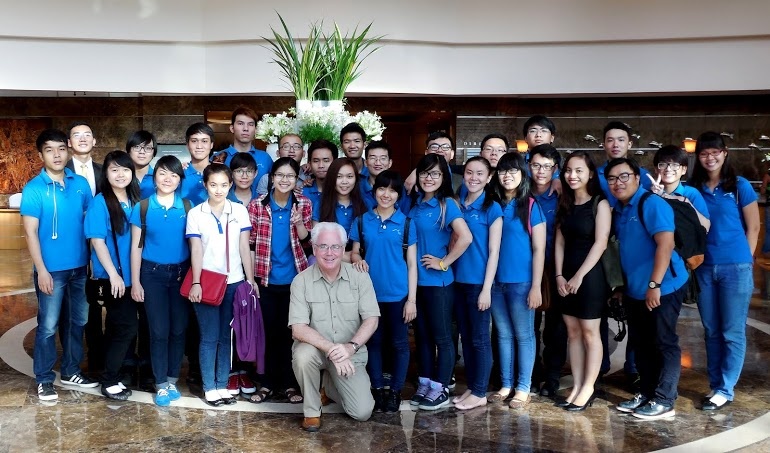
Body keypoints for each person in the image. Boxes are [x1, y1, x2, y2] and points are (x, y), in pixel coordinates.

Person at [607, 158, 690, 420]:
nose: (618, 183)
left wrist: (655, 284)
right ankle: (646, 392)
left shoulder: (651, 203)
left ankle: (665, 400)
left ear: (636, 177)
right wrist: (621, 287)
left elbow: (665, 245)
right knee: (641, 342)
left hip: (663, 287)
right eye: (612, 178)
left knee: (664, 341)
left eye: (624, 176)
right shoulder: (619, 209)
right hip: (635, 289)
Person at [21, 129, 97, 401]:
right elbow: (30, 233)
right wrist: (41, 270)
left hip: (80, 268)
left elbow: (90, 224)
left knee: (78, 321)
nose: (56, 155)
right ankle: (44, 378)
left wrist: (92, 261)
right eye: (49, 150)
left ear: (68, 151)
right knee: (48, 326)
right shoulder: (34, 188)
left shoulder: (80, 184)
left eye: (61, 149)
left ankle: (71, 370)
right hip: (51, 270)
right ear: (40, 154)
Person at [688, 132, 759, 411]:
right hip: (704, 267)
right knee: (711, 330)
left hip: (735, 267)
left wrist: (746, 260)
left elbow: (754, 226)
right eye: (704, 153)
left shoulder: (739, 185)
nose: (710, 158)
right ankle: (716, 383)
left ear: (725, 153)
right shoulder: (693, 188)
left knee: (732, 331)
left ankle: (725, 388)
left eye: (714, 152)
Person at [289, 222, 380, 432]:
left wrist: (350, 347)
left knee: (362, 412)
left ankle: (329, 387)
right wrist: (331, 349)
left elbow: (372, 319)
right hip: (316, 351)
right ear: (314, 248)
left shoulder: (360, 277)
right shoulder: (300, 281)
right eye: (323, 246)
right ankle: (312, 412)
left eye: (335, 247)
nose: (329, 253)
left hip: (350, 353)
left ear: (343, 249)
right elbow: (298, 328)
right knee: (302, 356)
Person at [186, 163, 256, 406]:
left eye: (224, 185)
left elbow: (244, 247)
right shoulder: (196, 213)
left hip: (234, 282)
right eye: (213, 184)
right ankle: (209, 387)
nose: (219, 190)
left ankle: (222, 384)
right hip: (207, 282)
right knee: (209, 336)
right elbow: (196, 250)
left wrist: (250, 280)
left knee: (226, 336)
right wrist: (196, 282)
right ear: (205, 185)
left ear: (230, 185)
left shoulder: (239, 211)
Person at [408, 154, 472, 410]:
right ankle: (425, 382)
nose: (429, 178)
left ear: (444, 177)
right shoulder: (415, 205)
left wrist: (444, 262)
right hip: (417, 283)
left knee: (442, 337)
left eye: (435, 173)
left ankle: (441, 386)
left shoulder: (447, 204)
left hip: (440, 284)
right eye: (424, 173)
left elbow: (465, 237)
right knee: (423, 337)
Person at [350, 170, 418, 413]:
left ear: (399, 195)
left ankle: (396, 391)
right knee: (374, 343)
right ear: (374, 191)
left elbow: (412, 264)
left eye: (392, 190)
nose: (386, 194)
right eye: (382, 188)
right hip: (369, 296)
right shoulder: (362, 221)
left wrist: (412, 300)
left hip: (398, 295)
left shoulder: (407, 223)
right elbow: (355, 251)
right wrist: (357, 259)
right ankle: (377, 389)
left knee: (400, 344)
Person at [248, 157, 313, 404]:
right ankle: (266, 384)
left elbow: (307, 243)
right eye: (280, 175)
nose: (285, 180)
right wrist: (252, 279)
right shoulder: (257, 205)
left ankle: (289, 384)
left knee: (290, 334)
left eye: (290, 176)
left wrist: (299, 224)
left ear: (297, 179)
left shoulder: (303, 203)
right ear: (272, 178)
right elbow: (251, 244)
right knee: (267, 333)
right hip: (265, 279)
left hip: (295, 281)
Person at [129, 155, 191, 406]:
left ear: (179, 180)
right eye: (163, 173)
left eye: (174, 175)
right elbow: (135, 248)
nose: (168, 179)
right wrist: (135, 282)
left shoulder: (187, 207)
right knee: (158, 331)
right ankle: (161, 383)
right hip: (152, 275)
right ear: (154, 178)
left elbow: (195, 245)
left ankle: (173, 378)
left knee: (179, 329)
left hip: (181, 275)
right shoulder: (143, 207)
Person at [595, 120, 651, 387]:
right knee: (601, 309)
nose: (615, 144)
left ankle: (634, 367)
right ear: (603, 144)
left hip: (634, 250)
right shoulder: (595, 175)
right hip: (603, 250)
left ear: (630, 143)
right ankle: (601, 364)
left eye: (620, 139)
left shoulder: (643, 176)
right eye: (610, 139)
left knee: (636, 310)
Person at [553, 151, 610, 411]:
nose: (572, 175)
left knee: (589, 332)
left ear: (590, 174)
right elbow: (560, 242)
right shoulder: (564, 202)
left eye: (578, 171)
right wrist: (559, 275)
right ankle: (576, 386)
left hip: (590, 277)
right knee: (573, 333)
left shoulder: (600, 203)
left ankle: (589, 388)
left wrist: (579, 276)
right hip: (566, 275)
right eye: (568, 170)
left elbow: (600, 243)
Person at [488, 152, 545, 408]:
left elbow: (539, 249)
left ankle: (523, 387)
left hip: (522, 282)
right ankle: (506, 384)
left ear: (523, 174)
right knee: (503, 334)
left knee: (524, 335)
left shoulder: (531, 206)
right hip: (495, 282)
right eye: (502, 170)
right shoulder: (493, 204)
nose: (507, 175)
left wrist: (536, 286)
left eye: (513, 170)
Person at [84, 150, 140, 400]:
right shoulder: (100, 202)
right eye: (114, 169)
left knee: (119, 327)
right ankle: (109, 380)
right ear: (105, 173)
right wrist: (113, 275)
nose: (120, 174)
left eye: (125, 169)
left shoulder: (134, 200)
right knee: (126, 327)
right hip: (113, 278)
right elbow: (97, 241)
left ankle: (109, 372)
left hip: (132, 276)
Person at [451, 156, 503, 410]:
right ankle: (472, 387)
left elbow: (494, 252)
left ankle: (481, 391)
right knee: (466, 336)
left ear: (489, 177)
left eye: (480, 173)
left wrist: (486, 289)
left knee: (480, 339)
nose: (473, 178)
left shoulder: (492, 208)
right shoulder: (458, 202)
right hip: (457, 281)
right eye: (469, 172)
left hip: (478, 283)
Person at [66, 121, 105, 374]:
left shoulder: (104, 172)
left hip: (98, 249)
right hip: (70, 249)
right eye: (76, 135)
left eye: (87, 135)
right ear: (69, 143)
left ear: (94, 141)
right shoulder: (60, 171)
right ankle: (72, 362)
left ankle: (97, 359)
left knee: (96, 305)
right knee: (73, 310)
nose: (82, 139)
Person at [528, 144, 567, 398]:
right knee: (529, 325)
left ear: (555, 169)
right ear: (528, 166)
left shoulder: (562, 194)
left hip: (556, 267)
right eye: (536, 165)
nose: (541, 171)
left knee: (556, 326)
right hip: (528, 268)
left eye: (547, 166)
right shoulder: (521, 192)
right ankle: (531, 374)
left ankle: (552, 376)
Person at [313, 158, 367, 257]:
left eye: (349, 176)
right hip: (328, 257)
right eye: (339, 176)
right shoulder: (321, 203)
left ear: (356, 178)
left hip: (358, 259)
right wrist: (345, 257)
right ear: (332, 178)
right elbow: (315, 240)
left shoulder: (364, 204)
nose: (344, 181)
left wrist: (355, 256)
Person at [649, 145, 711, 231]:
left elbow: (706, 227)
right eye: (662, 164)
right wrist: (654, 196)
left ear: (684, 170)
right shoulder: (649, 194)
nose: (668, 169)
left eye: (675, 165)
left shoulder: (691, 193)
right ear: (656, 169)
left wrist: (686, 203)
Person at [215, 106, 273, 185]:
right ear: (232, 128)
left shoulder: (265, 158)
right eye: (240, 123)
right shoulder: (219, 158)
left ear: (256, 130)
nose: (246, 128)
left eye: (250, 124)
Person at [180, 123, 214, 206]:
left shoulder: (220, 173)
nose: (199, 146)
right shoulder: (179, 173)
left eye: (204, 141)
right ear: (187, 145)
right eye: (194, 141)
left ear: (211, 145)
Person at [303, 140, 338, 209]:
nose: (321, 165)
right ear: (309, 163)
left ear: (335, 162)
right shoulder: (302, 193)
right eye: (316, 161)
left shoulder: (344, 191)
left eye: (326, 161)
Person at [359, 140, 394, 210]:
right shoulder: (357, 188)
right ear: (365, 162)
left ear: (390, 163)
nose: (378, 163)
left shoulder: (399, 188)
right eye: (373, 158)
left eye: (383, 158)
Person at [126, 130, 158, 199]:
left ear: (153, 153)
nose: (142, 152)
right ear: (128, 151)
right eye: (137, 147)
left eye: (148, 148)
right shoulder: (121, 177)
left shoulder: (159, 178)